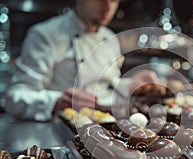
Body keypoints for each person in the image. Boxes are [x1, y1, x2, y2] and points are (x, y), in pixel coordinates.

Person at [4, 0, 159, 121]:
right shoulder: (44, 35)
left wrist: (132, 85)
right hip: (60, 132)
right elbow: (15, 98)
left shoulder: (111, 39)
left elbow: (105, 89)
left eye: (113, 0)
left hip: (105, 130)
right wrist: (57, 101)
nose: (107, 7)